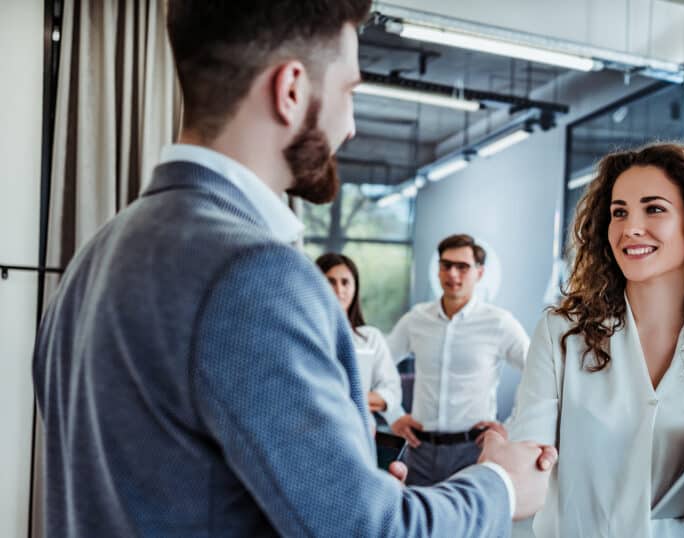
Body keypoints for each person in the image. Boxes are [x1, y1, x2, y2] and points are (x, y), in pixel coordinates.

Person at [32, 2, 556, 536]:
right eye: (349, 91)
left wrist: (346, 481)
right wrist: (500, 484)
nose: (349, 127)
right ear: (291, 90)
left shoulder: (91, 260)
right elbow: (368, 532)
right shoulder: (253, 276)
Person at [509, 143, 684, 537]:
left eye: (654, 209)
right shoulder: (561, 334)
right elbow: (528, 462)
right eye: (619, 212)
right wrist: (498, 476)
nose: (630, 227)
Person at [388, 234, 531, 486]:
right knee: (417, 523)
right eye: (446, 265)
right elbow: (380, 366)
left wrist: (512, 425)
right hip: (419, 450)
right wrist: (393, 415)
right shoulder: (416, 319)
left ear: (480, 273)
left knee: (469, 526)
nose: (452, 274)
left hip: (472, 452)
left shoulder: (499, 322)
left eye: (462, 267)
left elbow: (538, 372)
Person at [316, 253, 404, 428]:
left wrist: (352, 398)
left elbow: (392, 392)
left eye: (345, 282)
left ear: (355, 288)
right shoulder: (305, 336)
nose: (339, 290)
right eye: (330, 282)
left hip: (359, 433)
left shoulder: (371, 338)